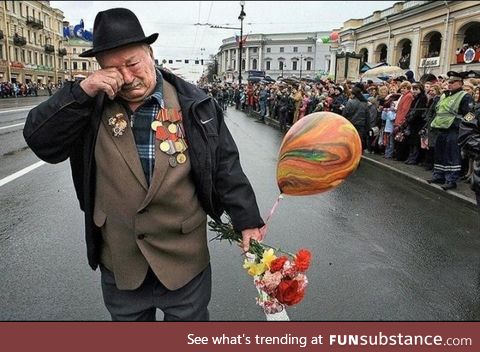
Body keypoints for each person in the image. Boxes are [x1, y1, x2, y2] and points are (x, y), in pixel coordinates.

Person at [23, 8, 265, 321]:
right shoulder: (88, 105)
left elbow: (225, 167)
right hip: (121, 261)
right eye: (112, 69)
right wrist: (82, 92)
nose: (125, 77)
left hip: (184, 261)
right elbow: (41, 140)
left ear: (150, 53)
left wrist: (247, 220)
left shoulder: (195, 103)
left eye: (132, 63)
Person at [427, 71, 473, 190]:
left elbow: (471, 114)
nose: (449, 84)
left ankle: (451, 180)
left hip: (454, 130)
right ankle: (439, 175)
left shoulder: (465, 96)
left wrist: (463, 125)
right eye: (449, 82)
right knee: (440, 153)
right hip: (441, 128)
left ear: (460, 83)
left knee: (452, 155)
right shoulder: (445, 95)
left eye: (453, 82)